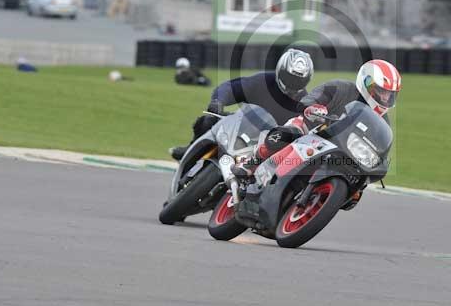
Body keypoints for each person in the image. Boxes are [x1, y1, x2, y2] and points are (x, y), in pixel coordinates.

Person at [230, 59, 402, 208]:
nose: (384, 98)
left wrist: (380, 161)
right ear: (365, 82)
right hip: (311, 130)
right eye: (380, 91)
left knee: (357, 188)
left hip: (342, 151)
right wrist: (312, 106)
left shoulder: (382, 120)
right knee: (288, 133)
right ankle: (251, 162)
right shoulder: (341, 88)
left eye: (389, 95)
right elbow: (313, 97)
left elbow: (381, 144)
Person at [169, 48, 314, 161]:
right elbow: (232, 87)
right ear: (280, 70)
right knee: (208, 120)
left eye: (298, 81)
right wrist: (218, 101)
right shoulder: (262, 81)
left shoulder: (304, 104)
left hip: (267, 147)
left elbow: (304, 133)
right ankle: (190, 151)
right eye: (289, 78)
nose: (292, 85)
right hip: (242, 126)